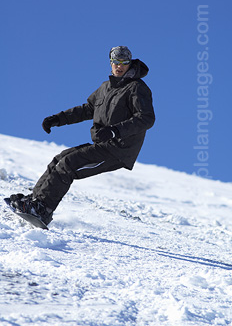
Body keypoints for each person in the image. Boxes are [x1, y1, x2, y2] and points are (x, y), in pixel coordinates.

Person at [9, 46, 155, 226]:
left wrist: (114, 130)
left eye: (124, 63)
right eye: (116, 62)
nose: (119, 66)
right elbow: (88, 109)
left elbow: (146, 118)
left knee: (68, 165)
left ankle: (43, 209)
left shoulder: (137, 88)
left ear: (130, 63)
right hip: (103, 145)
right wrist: (58, 119)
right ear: (110, 63)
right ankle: (34, 202)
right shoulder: (106, 87)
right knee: (60, 158)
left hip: (119, 150)